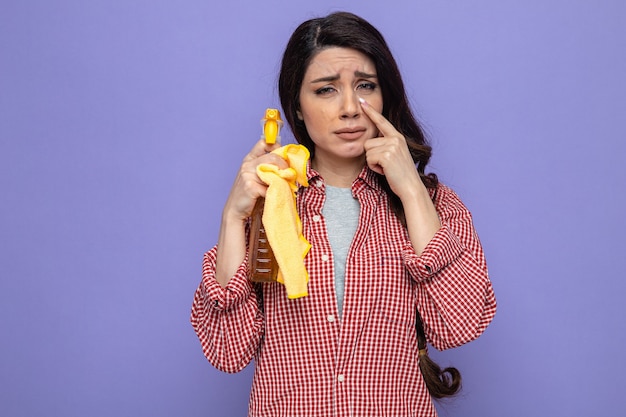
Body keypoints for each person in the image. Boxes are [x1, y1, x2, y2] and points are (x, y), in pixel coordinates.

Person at [191, 11, 496, 417]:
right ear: (296, 107)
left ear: (385, 95)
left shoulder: (434, 205)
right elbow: (227, 350)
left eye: (365, 86)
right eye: (326, 90)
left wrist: (411, 190)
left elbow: (459, 324)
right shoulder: (271, 205)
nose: (350, 108)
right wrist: (233, 217)